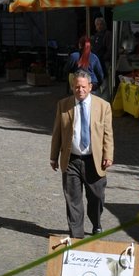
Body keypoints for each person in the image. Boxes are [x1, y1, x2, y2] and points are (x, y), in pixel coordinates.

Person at [49, 69, 114, 238]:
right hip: (71, 159)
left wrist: (108, 155)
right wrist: (53, 156)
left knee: (97, 197)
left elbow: (108, 133)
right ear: (72, 87)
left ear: (90, 87)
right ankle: (76, 235)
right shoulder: (63, 105)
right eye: (77, 87)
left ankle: (96, 222)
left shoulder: (103, 106)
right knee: (73, 199)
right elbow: (57, 133)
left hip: (95, 159)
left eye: (84, 87)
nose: (80, 90)